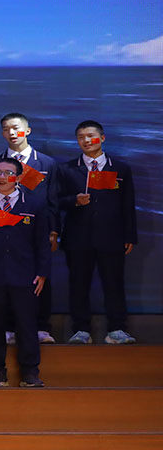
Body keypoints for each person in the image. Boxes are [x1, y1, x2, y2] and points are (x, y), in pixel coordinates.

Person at [0, 158, 51, 388]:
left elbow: (42, 242)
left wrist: (42, 272)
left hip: (25, 275)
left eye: (8, 173)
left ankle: (30, 372)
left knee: (27, 324)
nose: (2, 177)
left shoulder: (34, 204)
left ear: (18, 177)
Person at [56, 120, 137, 344]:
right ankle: (81, 330)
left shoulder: (120, 169)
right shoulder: (66, 169)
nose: (86, 140)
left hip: (111, 237)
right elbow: (56, 201)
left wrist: (129, 235)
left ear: (102, 138)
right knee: (78, 285)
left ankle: (117, 329)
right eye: (81, 137)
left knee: (114, 284)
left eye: (90, 136)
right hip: (78, 237)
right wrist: (74, 200)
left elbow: (128, 204)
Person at [0, 112, 60, 344]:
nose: (11, 133)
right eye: (6, 129)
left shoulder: (46, 163)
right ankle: (9, 327)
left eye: (16, 128)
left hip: (37, 229)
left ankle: (42, 327)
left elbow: (53, 201)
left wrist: (54, 231)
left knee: (41, 276)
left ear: (28, 131)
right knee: (5, 277)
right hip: (5, 229)